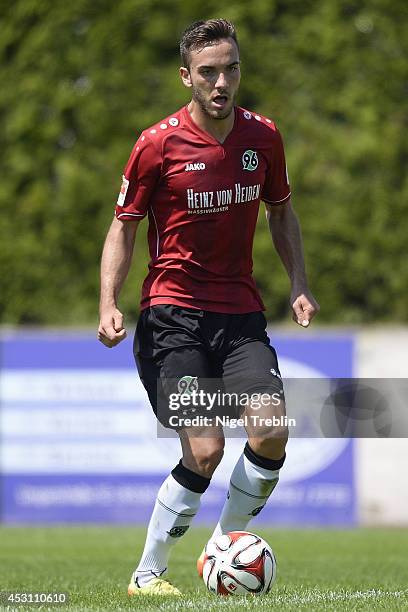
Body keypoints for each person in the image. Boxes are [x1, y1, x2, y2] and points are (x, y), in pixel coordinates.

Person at [98, 18, 319, 597]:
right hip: (173, 316)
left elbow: (282, 212)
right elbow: (122, 228)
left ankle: (221, 548)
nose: (222, 82)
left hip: (241, 314)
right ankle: (146, 574)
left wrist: (298, 280)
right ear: (187, 77)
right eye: (209, 72)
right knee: (205, 449)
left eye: (231, 68)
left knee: (270, 431)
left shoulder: (264, 138)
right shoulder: (156, 144)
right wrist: (108, 303)